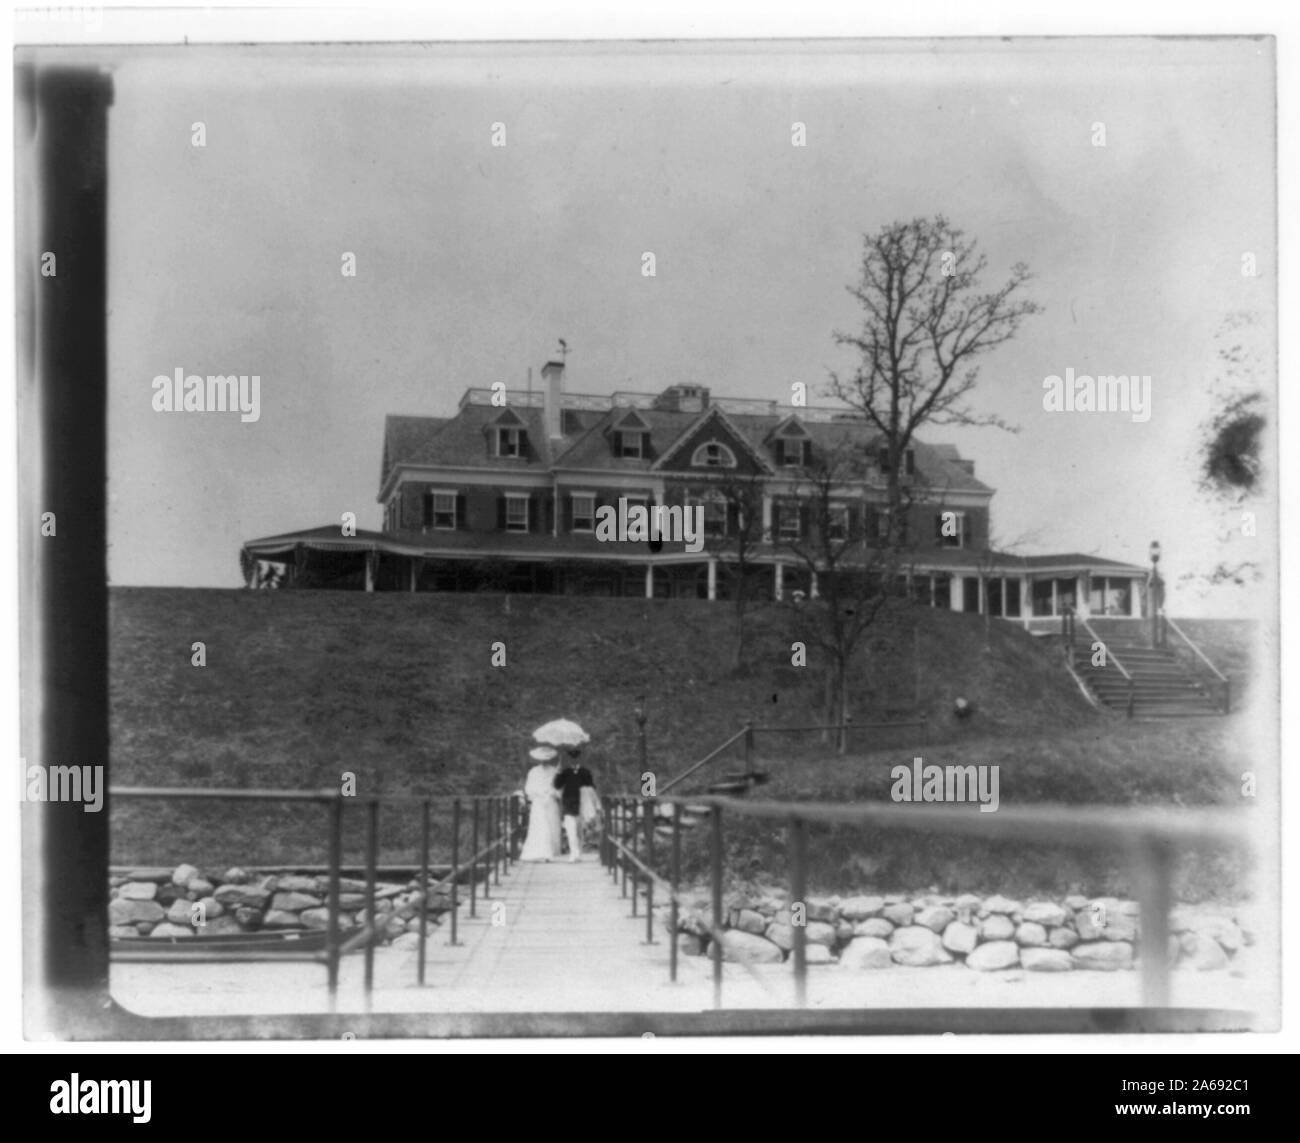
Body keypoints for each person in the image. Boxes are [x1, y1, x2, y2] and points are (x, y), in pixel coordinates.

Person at [520, 746, 562, 862]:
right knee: (541, 826)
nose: (544, 761)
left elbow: (558, 790)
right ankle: (541, 852)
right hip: (539, 802)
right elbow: (528, 788)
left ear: (549, 759)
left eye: (546, 759)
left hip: (550, 802)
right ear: (538, 760)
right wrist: (538, 793)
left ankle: (549, 852)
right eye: (541, 759)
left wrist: (552, 791)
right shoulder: (533, 772)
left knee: (551, 825)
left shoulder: (554, 771)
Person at [553, 748, 595, 863]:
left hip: (582, 805)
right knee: (570, 829)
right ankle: (573, 853)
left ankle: (579, 853)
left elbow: (591, 787)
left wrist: (592, 803)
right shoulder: (565, 772)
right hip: (569, 804)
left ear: (579, 759)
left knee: (579, 830)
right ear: (569, 760)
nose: (574, 761)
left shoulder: (585, 772)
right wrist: (558, 772)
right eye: (571, 758)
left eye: (576, 758)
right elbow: (557, 785)